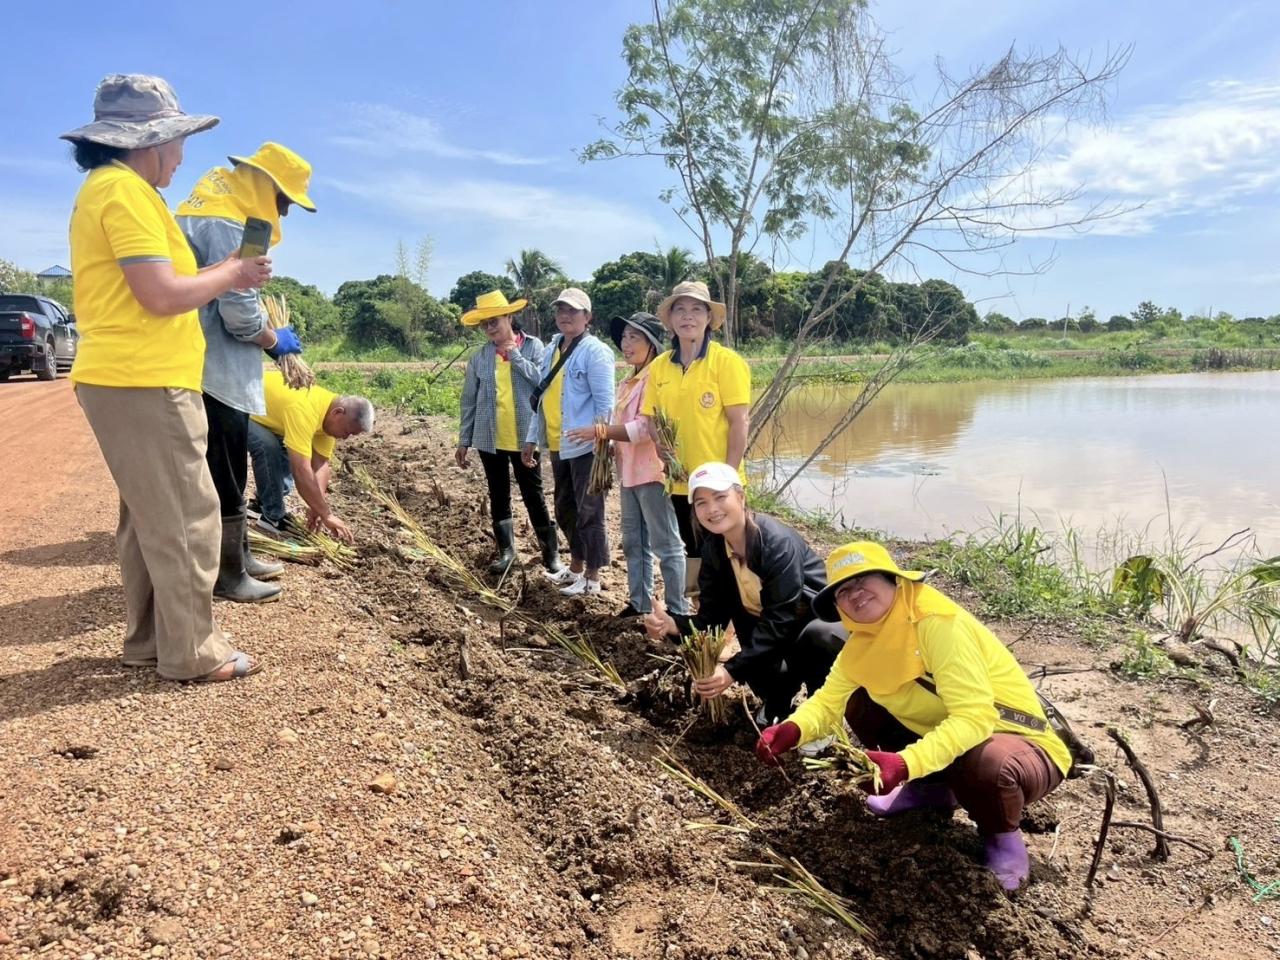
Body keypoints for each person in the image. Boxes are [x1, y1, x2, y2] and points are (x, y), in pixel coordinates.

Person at [62, 74, 272, 682]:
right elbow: (160, 295)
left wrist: (223, 269)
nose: (181, 156)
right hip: (144, 379)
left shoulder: (111, 188)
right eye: (177, 142)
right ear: (147, 141)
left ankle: (151, 640)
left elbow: (158, 282)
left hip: (126, 377)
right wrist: (231, 276)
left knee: (150, 516)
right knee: (187, 511)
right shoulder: (124, 193)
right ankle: (193, 651)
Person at [754, 541, 1073, 891]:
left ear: (894, 580)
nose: (855, 594)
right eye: (843, 590)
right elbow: (828, 702)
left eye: (864, 580)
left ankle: (1002, 837)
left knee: (988, 766)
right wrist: (791, 729)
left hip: (1021, 743)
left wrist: (904, 763)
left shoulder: (937, 623)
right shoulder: (863, 643)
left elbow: (974, 719)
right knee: (860, 701)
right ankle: (932, 789)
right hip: (956, 739)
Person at [176, 142, 316, 604]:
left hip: (207, 360)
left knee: (230, 464)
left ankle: (240, 556)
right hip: (214, 366)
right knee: (225, 468)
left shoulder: (212, 204)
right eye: (286, 201)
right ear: (267, 187)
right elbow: (238, 314)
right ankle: (229, 574)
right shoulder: (227, 222)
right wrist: (274, 340)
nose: (286, 214)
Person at [642, 462, 842, 722]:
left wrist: (731, 672)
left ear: (741, 496)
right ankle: (778, 702)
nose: (712, 509)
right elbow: (711, 620)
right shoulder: (714, 549)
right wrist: (673, 624)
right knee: (757, 661)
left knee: (820, 637)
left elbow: (782, 618)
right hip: (772, 626)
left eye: (720, 497)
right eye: (701, 502)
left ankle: (824, 716)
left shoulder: (776, 544)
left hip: (809, 621)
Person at [567, 312, 688, 619]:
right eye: (624, 337)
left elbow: (645, 429)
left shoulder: (655, 378)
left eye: (635, 337)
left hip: (653, 472)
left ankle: (678, 611)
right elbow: (622, 425)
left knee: (666, 544)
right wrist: (606, 440)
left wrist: (602, 432)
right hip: (629, 472)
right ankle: (639, 603)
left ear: (652, 344)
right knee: (634, 542)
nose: (627, 343)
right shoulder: (627, 381)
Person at [641, 281, 751, 595]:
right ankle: (703, 615)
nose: (688, 316)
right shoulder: (660, 367)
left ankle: (738, 618)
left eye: (696, 309)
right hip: (681, 482)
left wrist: (728, 477)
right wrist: (662, 450)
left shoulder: (726, 362)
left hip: (719, 485)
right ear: (671, 319)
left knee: (730, 551)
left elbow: (739, 422)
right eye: (680, 309)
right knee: (693, 548)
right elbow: (650, 418)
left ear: (708, 318)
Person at [456, 290, 561, 576]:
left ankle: (550, 553)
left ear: (509, 318)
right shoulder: (480, 358)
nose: (491, 328)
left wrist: (514, 355)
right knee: (498, 493)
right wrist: (464, 440)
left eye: (495, 321)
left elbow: (542, 381)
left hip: (525, 437)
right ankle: (506, 552)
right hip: (490, 437)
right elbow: (469, 400)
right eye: (485, 324)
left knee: (533, 493)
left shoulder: (534, 347)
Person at [521, 288, 615, 597]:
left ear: (587, 317)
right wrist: (533, 438)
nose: (565, 316)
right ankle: (575, 567)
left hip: (587, 446)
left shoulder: (595, 352)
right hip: (559, 443)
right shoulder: (552, 349)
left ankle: (592, 576)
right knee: (564, 508)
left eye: (573, 311)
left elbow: (605, 404)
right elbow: (543, 398)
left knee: (590, 511)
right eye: (561, 310)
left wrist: (598, 434)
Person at [247, 371, 373, 543]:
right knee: (270, 447)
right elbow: (301, 470)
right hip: (240, 408)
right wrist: (326, 514)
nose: (345, 438)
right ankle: (271, 516)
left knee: (290, 447)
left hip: (269, 416)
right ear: (338, 413)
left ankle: (262, 503)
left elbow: (321, 464)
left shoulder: (329, 416)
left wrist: (316, 505)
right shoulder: (305, 409)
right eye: (347, 431)